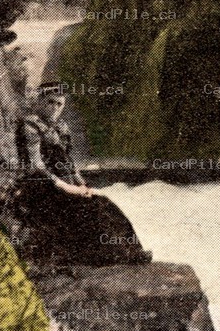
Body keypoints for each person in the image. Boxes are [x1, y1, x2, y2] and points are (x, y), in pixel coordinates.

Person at [12, 83, 149, 269]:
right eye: (50, 102)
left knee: (105, 203)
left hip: (65, 185)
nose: (54, 108)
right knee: (88, 211)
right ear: (40, 101)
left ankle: (134, 251)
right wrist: (70, 188)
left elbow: (68, 162)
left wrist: (82, 185)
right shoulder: (29, 125)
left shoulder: (61, 127)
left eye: (59, 104)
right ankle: (111, 256)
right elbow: (37, 166)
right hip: (40, 187)